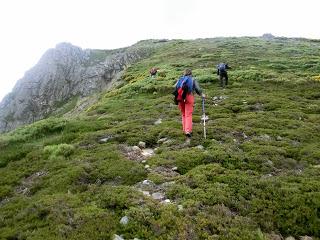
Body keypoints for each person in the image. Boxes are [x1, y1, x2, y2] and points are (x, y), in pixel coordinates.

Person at [174, 69, 205, 139]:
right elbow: (198, 89)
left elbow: (175, 87)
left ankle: (184, 129)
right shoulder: (193, 79)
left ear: (184, 73)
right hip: (189, 96)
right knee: (188, 114)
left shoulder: (180, 79)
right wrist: (202, 94)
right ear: (191, 73)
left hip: (180, 97)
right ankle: (188, 131)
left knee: (183, 114)